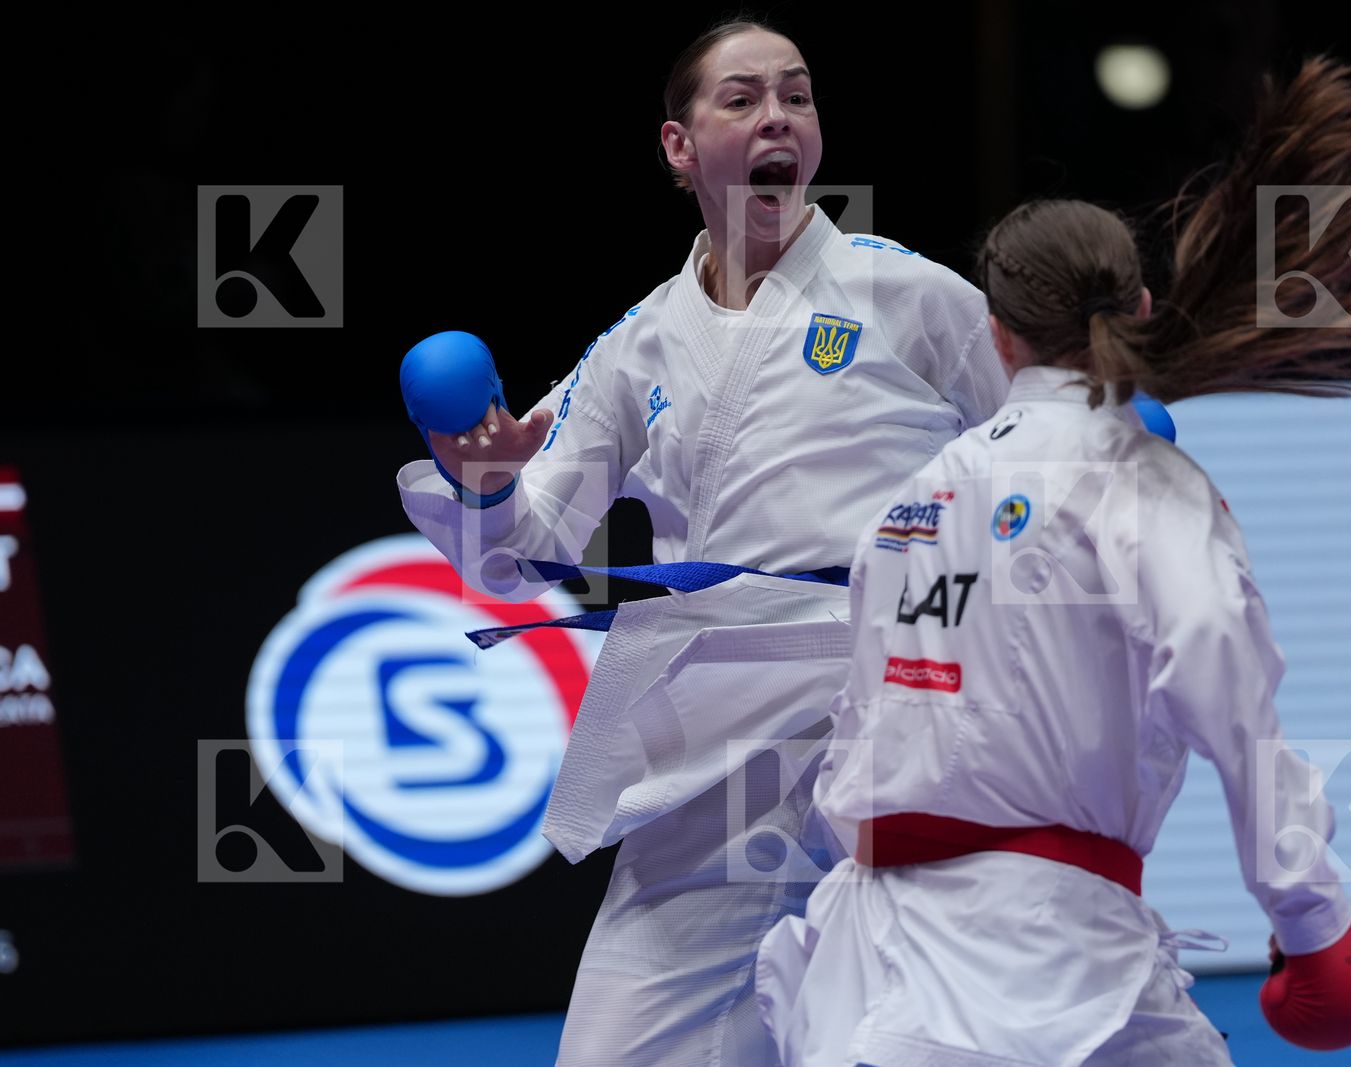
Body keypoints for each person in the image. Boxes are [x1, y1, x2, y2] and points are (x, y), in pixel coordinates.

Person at [755, 55, 1351, 1066]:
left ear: (995, 337)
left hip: (875, 954)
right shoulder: (1144, 482)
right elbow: (1224, 682)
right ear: (1138, 308)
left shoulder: (907, 500)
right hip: (1044, 959)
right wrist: (1310, 917)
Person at [394, 17, 1009, 1065]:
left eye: (798, 95)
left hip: (892, 701)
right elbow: (513, 555)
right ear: (678, 148)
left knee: (945, 1029)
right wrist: (481, 480)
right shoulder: (635, 345)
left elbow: (1037, 445)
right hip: (718, 721)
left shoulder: (911, 295)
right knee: (617, 1046)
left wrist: (1097, 443)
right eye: (742, 98)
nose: (778, 115)